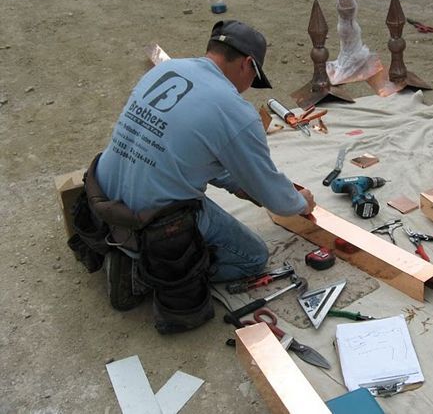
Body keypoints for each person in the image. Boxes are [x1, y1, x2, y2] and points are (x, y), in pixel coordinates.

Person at [80, 20, 315, 332]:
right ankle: (141, 271)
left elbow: (192, 152)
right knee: (253, 257)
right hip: (154, 221)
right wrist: (300, 203)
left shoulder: (165, 70)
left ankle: (126, 247)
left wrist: (241, 187)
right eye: (252, 79)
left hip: (103, 193)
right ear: (247, 64)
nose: (246, 89)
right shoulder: (235, 111)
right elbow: (275, 195)